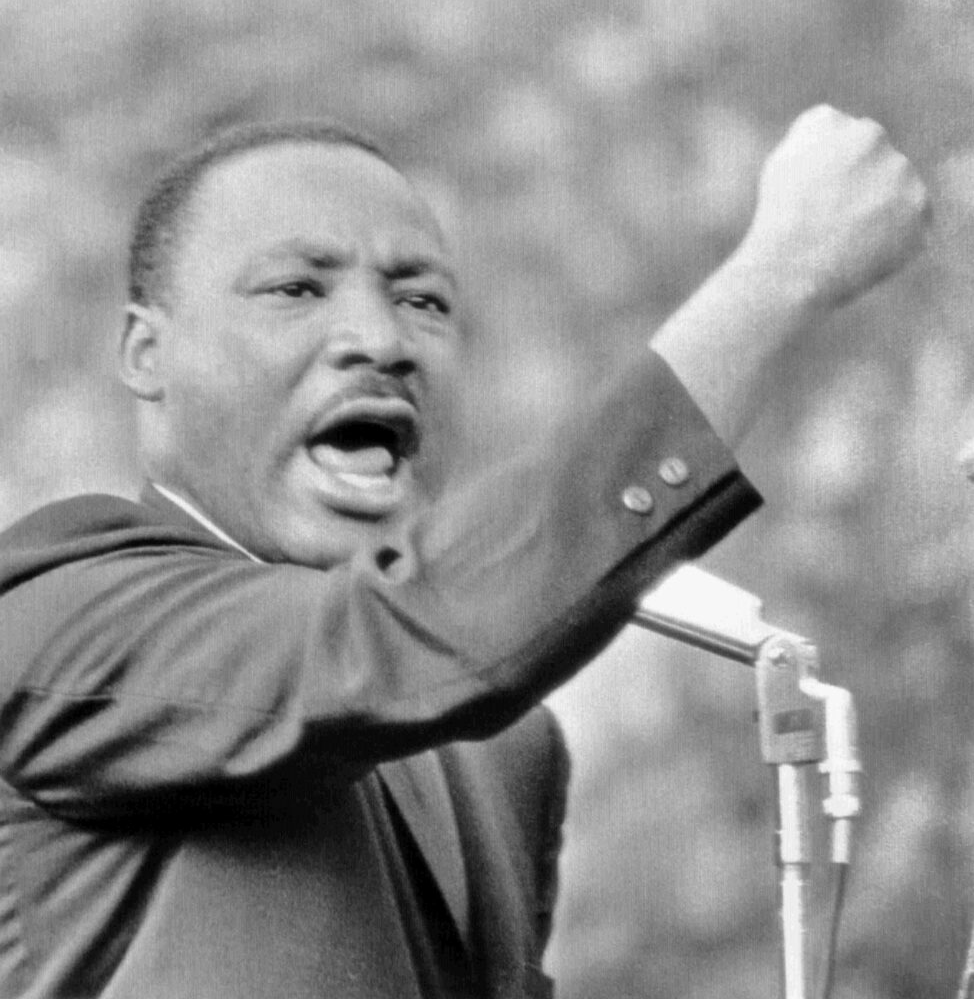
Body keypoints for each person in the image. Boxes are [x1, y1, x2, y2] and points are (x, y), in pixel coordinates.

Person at [0, 105, 927, 999]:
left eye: (423, 301)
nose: (380, 340)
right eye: (296, 289)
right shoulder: (55, 616)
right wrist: (781, 275)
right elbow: (407, 636)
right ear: (144, 353)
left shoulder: (506, 755)